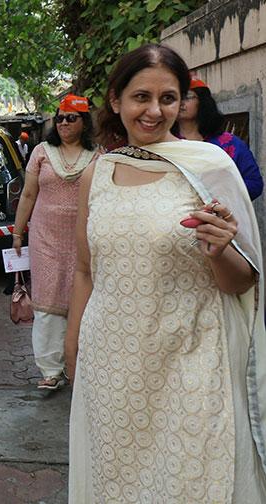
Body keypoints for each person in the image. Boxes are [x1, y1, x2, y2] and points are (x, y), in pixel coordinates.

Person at [65, 43, 266, 502]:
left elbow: (245, 281)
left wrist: (219, 251)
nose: (155, 111)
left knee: (190, 479)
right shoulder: (98, 173)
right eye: (141, 97)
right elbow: (84, 270)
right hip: (112, 363)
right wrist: (73, 344)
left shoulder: (209, 167)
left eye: (168, 98)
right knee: (117, 480)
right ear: (116, 100)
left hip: (190, 360)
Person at [12, 94, 99, 391]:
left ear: (84, 122)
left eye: (70, 118)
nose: (63, 123)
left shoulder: (98, 156)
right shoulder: (41, 152)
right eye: (59, 117)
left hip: (83, 240)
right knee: (47, 302)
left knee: (81, 299)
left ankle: (79, 363)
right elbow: (28, 195)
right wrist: (17, 232)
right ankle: (50, 370)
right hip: (44, 238)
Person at [178, 77, 263, 200]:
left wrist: (219, 193)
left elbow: (254, 184)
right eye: (172, 98)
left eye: (186, 96)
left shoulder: (230, 144)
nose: (180, 102)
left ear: (203, 102)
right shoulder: (163, 143)